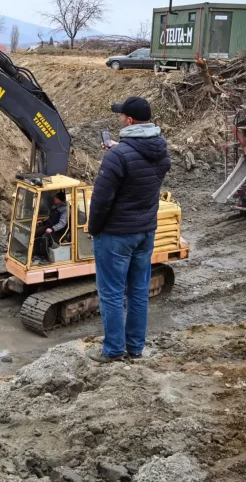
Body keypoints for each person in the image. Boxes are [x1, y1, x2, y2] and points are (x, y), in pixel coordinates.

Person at [87, 97, 171, 363]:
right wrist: (117, 151)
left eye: (121, 116)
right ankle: (135, 348)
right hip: (145, 232)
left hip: (116, 235)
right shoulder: (160, 149)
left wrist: (94, 229)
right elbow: (141, 170)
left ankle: (112, 350)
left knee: (111, 293)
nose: (120, 119)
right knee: (138, 291)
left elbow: (101, 201)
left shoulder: (118, 156)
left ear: (130, 121)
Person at [33, 191, 69, 258]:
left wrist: (52, 229)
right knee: (36, 231)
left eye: (56, 198)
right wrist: (43, 222)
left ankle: (43, 255)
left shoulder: (65, 210)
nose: (54, 199)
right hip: (49, 226)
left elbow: (62, 223)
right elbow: (50, 217)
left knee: (44, 237)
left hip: (58, 231)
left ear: (60, 200)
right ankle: (34, 251)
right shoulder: (55, 206)